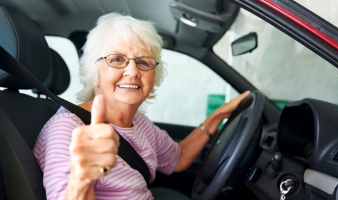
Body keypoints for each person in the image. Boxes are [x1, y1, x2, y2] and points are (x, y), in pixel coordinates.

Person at [33, 12, 250, 200]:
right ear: (93, 73)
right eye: (117, 59)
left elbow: (179, 158)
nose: (133, 71)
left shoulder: (140, 124)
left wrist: (218, 116)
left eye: (144, 62)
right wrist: (82, 178)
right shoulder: (66, 130)